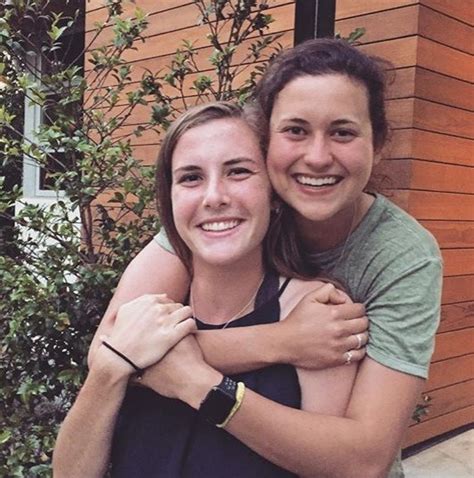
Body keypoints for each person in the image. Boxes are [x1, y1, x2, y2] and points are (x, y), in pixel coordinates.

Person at [87, 38, 443, 477]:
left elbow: (363, 459)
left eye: (343, 132)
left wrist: (190, 376)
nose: (317, 157)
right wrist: (285, 341)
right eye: (295, 130)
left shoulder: (402, 256)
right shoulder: (230, 211)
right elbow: (110, 348)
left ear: (379, 143)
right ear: (266, 141)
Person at [53, 102, 360, 477]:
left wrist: (195, 379)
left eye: (238, 171)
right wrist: (108, 370)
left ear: (274, 195)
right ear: (170, 201)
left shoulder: (318, 312)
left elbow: (333, 468)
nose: (214, 197)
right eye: (191, 178)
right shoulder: (146, 313)